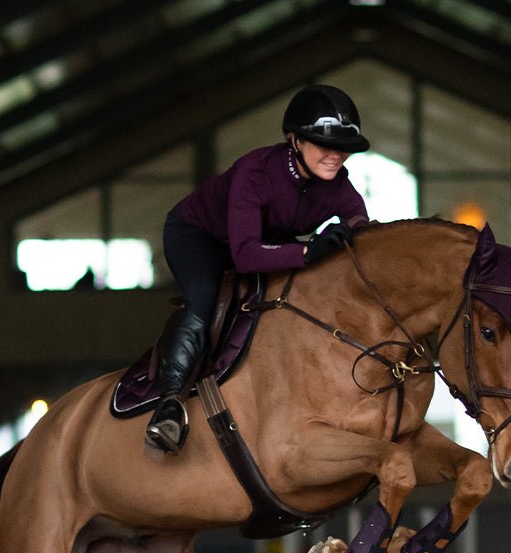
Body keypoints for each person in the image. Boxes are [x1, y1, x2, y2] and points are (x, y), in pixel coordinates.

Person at [145, 84, 371, 454]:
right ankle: (169, 405)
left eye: (343, 147)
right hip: (199, 237)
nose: (336, 156)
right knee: (205, 297)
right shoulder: (255, 172)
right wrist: (308, 250)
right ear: (295, 140)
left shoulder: (338, 186)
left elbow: (363, 230)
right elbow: (246, 255)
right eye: (323, 145)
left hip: (261, 244)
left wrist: (354, 235)